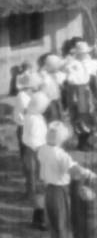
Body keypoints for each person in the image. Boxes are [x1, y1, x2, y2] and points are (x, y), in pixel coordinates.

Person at [38, 121, 96, 238]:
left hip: (49, 190)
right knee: (64, 223)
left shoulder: (43, 149)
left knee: (55, 223)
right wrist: (88, 173)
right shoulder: (60, 155)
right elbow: (73, 169)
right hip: (60, 190)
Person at [64, 41, 97, 151]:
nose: (85, 55)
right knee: (80, 116)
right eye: (83, 53)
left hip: (86, 90)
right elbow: (70, 78)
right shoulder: (72, 65)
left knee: (89, 114)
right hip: (78, 92)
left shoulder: (88, 62)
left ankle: (86, 140)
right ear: (78, 54)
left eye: (86, 53)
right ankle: (81, 142)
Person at [22, 91, 50, 230]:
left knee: (41, 185)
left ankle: (38, 216)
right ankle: (41, 218)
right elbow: (34, 139)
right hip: (36, 153)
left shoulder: (33, 115)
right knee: (40, 184)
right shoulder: (33, 119)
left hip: (36, 151)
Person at [14, 70, 41, 197]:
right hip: (25, 129)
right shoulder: (22, 96)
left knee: (34, 159)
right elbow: (29, 111)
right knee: (28, 160)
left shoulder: (31, 95)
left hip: (32, 128)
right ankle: (31, 189)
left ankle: (34, 186)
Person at [39, 54, 66, 122]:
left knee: (59, 114)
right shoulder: (44, 75)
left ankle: (59, 126)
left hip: (56, 98)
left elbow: (62, 77)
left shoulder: (55, 74)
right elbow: (44, 84)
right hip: (48, 100)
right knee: (53, 116)